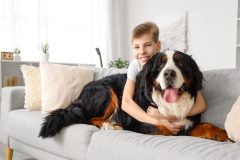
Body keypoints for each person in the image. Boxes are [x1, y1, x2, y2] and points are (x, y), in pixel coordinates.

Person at [121, 22, 206, 135]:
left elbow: (201, 104)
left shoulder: (168, 57)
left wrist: (168, 116)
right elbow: (126, 102)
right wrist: (157, 122)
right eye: (137, 47)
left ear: (158, 45)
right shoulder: (136, 65)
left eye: (147, 45)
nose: (142, 51)